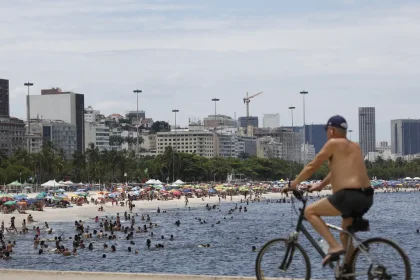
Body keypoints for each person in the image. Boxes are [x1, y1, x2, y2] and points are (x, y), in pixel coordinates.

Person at [282, 115, 373, 267]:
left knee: (309, 212)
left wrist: (294, 184)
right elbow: (337, 171)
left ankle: (333, 246)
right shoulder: (355, 146)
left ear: (331, 130)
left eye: (327, 131)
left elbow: (313, 165)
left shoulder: (333, 143)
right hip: (367, 197)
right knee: (345, 235)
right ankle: (348, 272)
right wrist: (320, 186)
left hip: (348, 196)